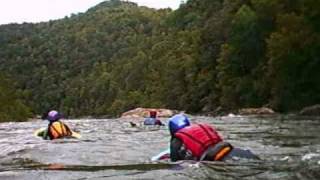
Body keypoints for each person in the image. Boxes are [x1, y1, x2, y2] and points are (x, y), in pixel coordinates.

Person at [168, 114, 259, 162]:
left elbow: (175, 160)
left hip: (210, 157)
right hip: (226, 147)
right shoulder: (203, 125)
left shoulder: (177, 137)